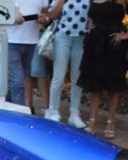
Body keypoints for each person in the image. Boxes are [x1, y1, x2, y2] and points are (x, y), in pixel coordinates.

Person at [77, 0, 128, 138]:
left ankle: (110, 122)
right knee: (95, 83)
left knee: (114, 84)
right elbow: (91, 14)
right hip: (95, 42)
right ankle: (92, 121)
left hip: (114, 43)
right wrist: (90, 26)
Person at [44, 0, 90, 128]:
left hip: (81, 39)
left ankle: (74, 113)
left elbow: (92, 14)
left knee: (77, 78)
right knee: (58, 76)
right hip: (63, 37)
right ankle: (52, 110)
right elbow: (51, 15)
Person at [3, 1, 50, 107]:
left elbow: (46, 14)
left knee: (17, 80)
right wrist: (13, 17)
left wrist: (44, 19)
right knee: (18, 81)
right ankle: (19, 116)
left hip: (32, 42)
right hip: (11, 40)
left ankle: (7, 108)